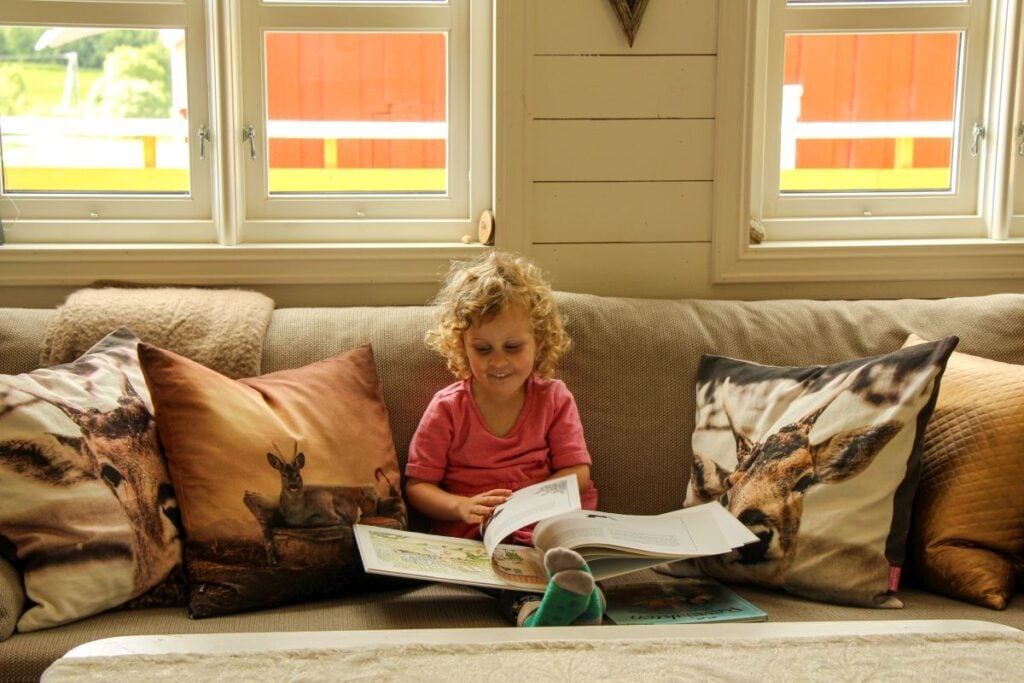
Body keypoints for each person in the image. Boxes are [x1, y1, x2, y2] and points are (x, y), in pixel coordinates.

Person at [405, 250, 603, 626]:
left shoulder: (554, 397)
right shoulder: (448, 407)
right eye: (483, 349)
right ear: (461, 345)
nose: (498, 362)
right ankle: (535, 614)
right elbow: (418, 486)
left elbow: (578, 472)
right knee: (508, 574)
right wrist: (460, 507)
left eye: (513, 347)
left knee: (572, 555)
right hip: (480, 529)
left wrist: (536, 500)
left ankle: (586, 599)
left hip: (545, 519)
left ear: (539, 341)